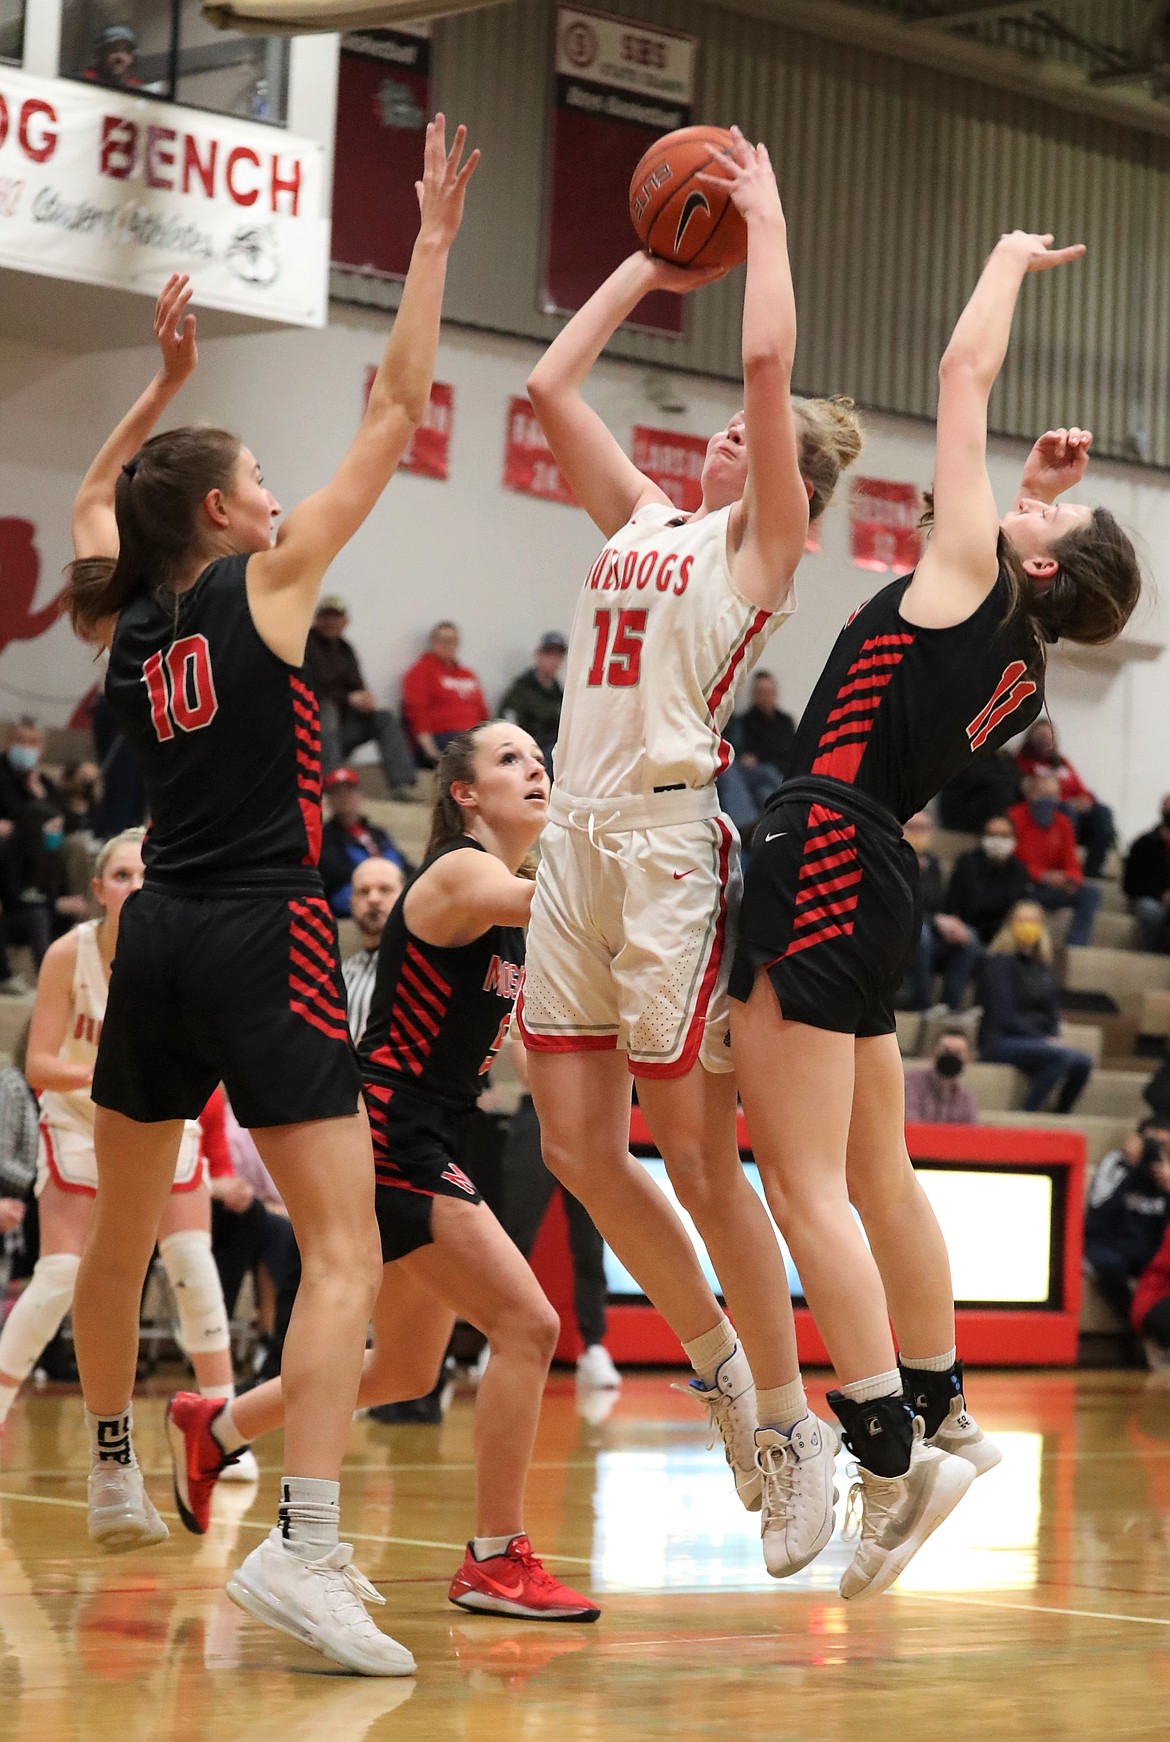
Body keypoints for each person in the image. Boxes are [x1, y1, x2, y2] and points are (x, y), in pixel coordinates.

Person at [63, 115, 476, 1677]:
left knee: (116, 1241)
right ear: (232, 518)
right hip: (264, 930)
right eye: (253, 475)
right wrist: (429, 242)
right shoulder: (269, 583)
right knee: (346, 1245)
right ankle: (305, 1549)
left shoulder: (131, 619)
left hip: (154, 927)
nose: (273, 485)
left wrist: (163, 395)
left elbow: (106, 497)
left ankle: (112, 1458)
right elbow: (398, 401)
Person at [729, 237, 1142, 1600]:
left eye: (1035, 526)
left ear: (1029, 566)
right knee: (873, 1172)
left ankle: (886, 1453)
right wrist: (1034, 501)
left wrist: (1008, 265)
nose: (1015, 508)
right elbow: (978, 574)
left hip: (823, 846)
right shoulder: (1019, 665)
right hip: (873, 868)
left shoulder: (981, 578)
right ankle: (948, 1410)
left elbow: (962, 369)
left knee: (800, 1181)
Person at [518, 128, 862, 1580]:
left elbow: (769, 369)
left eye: (745, 429)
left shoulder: (759, 550)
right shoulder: (645, 517)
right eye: (722, 428)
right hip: (572, 844)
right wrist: (651, 261)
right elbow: (547, 386)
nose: (724, 432)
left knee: (699, 1159)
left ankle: (790, 1426)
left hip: (664, 846)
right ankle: (725, 1373)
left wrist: (763, 224)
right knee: (577, 1149)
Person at [167, 723, 600, 1623]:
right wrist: (652, 845)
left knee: (404, 1370)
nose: (536, 770)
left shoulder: (510, 906)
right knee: (528, 1326)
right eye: (510, 760)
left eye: (539, 758)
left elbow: (514, 1031)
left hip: (432, 1129)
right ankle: (494, 1558)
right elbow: (563, 900)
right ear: (464, 796)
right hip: (393, 1132)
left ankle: (216, 1425)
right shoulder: (459, 874)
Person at [0, 833, 242, 1443]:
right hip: (81, 1120)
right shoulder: (67, 954)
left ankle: (223, 1425)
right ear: (99, 890)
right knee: (58, 1273)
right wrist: (115, 1073)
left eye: (145, 875)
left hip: (160, 1118)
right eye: (121, 875)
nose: (135, 887)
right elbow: (39, 1065)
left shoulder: (184, 958)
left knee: (191, 1261)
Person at [498, 1036, 619, 1390]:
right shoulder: (532, 996)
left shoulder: (594, 1003)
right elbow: (526, 1071)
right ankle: (500, 1337)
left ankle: (594, 1347)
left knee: (590, 1242)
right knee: (514, 1239)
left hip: (589, 1125)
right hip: (536, 1117)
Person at [978, 901, 1093, 1112]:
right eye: (1021, 920)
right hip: (1001, 1040)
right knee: (1060, 1057)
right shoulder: (998, 962)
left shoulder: (1043, 967)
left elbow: (1052, 1012)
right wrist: (1043, 1040)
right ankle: (1028, 1113)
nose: (1027, 926)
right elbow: (1004, 1015)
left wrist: (1052, 1036)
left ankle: (1061, 1114)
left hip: (1037, 1042)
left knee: (1083, 1062)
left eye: (1032, 921)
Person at [305, 596, 418, 800]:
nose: (331, 622)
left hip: (342, 731)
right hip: (313, 730)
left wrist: (365, 700)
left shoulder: (345, 649)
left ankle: (401, 785)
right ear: (317, 618)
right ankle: (332, 784)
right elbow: (308, 690)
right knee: (327, 709)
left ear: (345, 621)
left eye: (336, 616)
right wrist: (348, 699)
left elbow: (357, 686)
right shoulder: (305, 645)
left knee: (384, 718)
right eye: (326, 616)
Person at [1008, 770, 1102, 948]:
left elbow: (1072, 863)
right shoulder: (1014, 817)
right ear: (1030, 794)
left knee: (1090, 893)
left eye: (1053, 795)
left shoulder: (1063, 823)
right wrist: (1042, 875)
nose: (1049, 800)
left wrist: (1070, 879)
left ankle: (1075, 947)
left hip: (1053, 887)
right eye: (1043, 794)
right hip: (1025, 886)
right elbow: (1012, 862)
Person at [1083, 1129, 1170, 1322]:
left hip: (1154, 1253)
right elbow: (1098, 1220)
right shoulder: (1124, 1173)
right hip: (1119, 1249)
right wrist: (1131, 1170)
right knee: (1107, 1262)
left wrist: (1168, 1190)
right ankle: (1137, 1321)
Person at [902, 811, 982, 1013]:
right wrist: (934, 920)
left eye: (924, 828)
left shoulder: (933, 862)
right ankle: (922, 1005)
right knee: (922, 935)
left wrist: (951, 923)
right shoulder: (892, 858)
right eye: (913, 827)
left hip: (928, 925)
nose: (918, 833)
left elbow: (939, 903)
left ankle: (950, 1008)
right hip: (899, 931)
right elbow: (897, 903)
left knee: (968, 938)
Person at [1016, 718, 1113, 879]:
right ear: (1030, 737)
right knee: (1067, 810)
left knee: (1102, 812)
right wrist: (1064, 801)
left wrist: (1084, 800)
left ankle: (1092, 871)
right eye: (1041, 735)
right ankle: (1066, 864)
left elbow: (1081, 789)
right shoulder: (1023, 762)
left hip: (1076, 810)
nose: (1045, 739)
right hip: (1049, 810)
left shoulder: (1063, 763)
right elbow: (1028, 790)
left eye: (1049, 735)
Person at [319, 768, 410, 917]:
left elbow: (404, 864)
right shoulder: (326, 837)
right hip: (349, 892)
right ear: (329, 800)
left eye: (349, 791)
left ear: (359, 795)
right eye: (337, 793)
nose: (344, 798)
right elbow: (335, 874)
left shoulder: (378, 833)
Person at [717, 669, 792, 843]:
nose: (767, 697)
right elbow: (746, 756)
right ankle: (749, 829)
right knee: (763, 788)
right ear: (754, 696)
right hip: (760, 774)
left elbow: (791, 752)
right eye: (762, 693)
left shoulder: (786, 722)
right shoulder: (746, 722)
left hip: (781, 776)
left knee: (767, 788)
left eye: (770, 692)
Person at [402, 622, 489, 765]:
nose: (448, 645)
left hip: (473, 737)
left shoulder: (468, 675)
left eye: (453, 641)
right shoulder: (420, 672)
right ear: (433, 643)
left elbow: (482, 713)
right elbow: (417, 714)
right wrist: (431, 752)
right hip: (443, 737)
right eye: (443, 640)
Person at [341, 856, 406, 1044]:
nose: (373, 899)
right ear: (351, 902)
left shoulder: (420, 972)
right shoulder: (340, 974)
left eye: (385, 889)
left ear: (405, 897)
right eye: (363, 891)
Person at [945, 813, 1030, 945]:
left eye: (1004, 836)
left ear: (1013, 839)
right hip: (967, 931)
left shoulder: (1019, 870)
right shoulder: (967, 863)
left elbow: (1018, 907)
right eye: (992, 835)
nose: (998, 841)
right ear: (983, 837)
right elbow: (953, 905)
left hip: (1003, 937)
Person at [499, 632, 568, 767]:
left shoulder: (559, 693)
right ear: (538, 655)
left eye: (558, 656)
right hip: (532, 750)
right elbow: (507, 721)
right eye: (549, 654)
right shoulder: (522, 689)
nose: (554, 661)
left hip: (555, 749)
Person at [903, 1031, 980, 1125]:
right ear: (933, 1053)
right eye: (946, 1051)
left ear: (968, 1059)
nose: (951, 1057)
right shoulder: (910, 1084)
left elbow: (969, 1135)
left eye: (958, 1053)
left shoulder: (966, 1099)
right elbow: (910, 1126)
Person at [1124, 799, 1170, 953]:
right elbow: (1130, 884)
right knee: (1150, 911)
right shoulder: (1143, 844)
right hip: (1147, 898)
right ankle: (1151, 956)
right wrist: (1160, 895)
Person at [81, 23, 144, 90]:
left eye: (126, 51)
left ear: (133, 57)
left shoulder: (137, 87)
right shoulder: (85, 81)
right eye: (113, 50)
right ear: (101, 54)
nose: (120, 57)